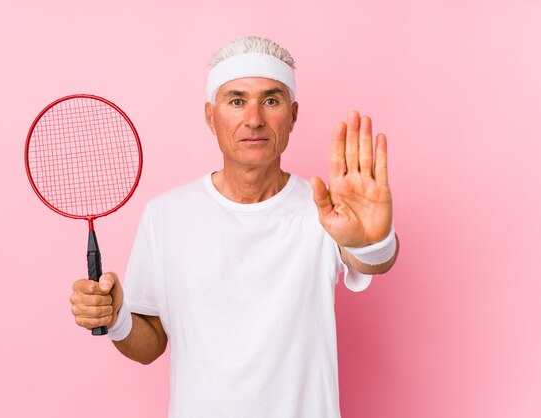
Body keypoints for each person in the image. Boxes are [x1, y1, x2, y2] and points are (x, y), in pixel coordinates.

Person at [70, 36, 399, 418]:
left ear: (293, 115)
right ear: (211, 115)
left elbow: (373, 261)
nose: (254, 118)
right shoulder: (167, 214)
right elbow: (151, 344)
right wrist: (116, 317)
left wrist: (372, 242)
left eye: (271, 101)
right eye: (237, 100)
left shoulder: (324, 208)